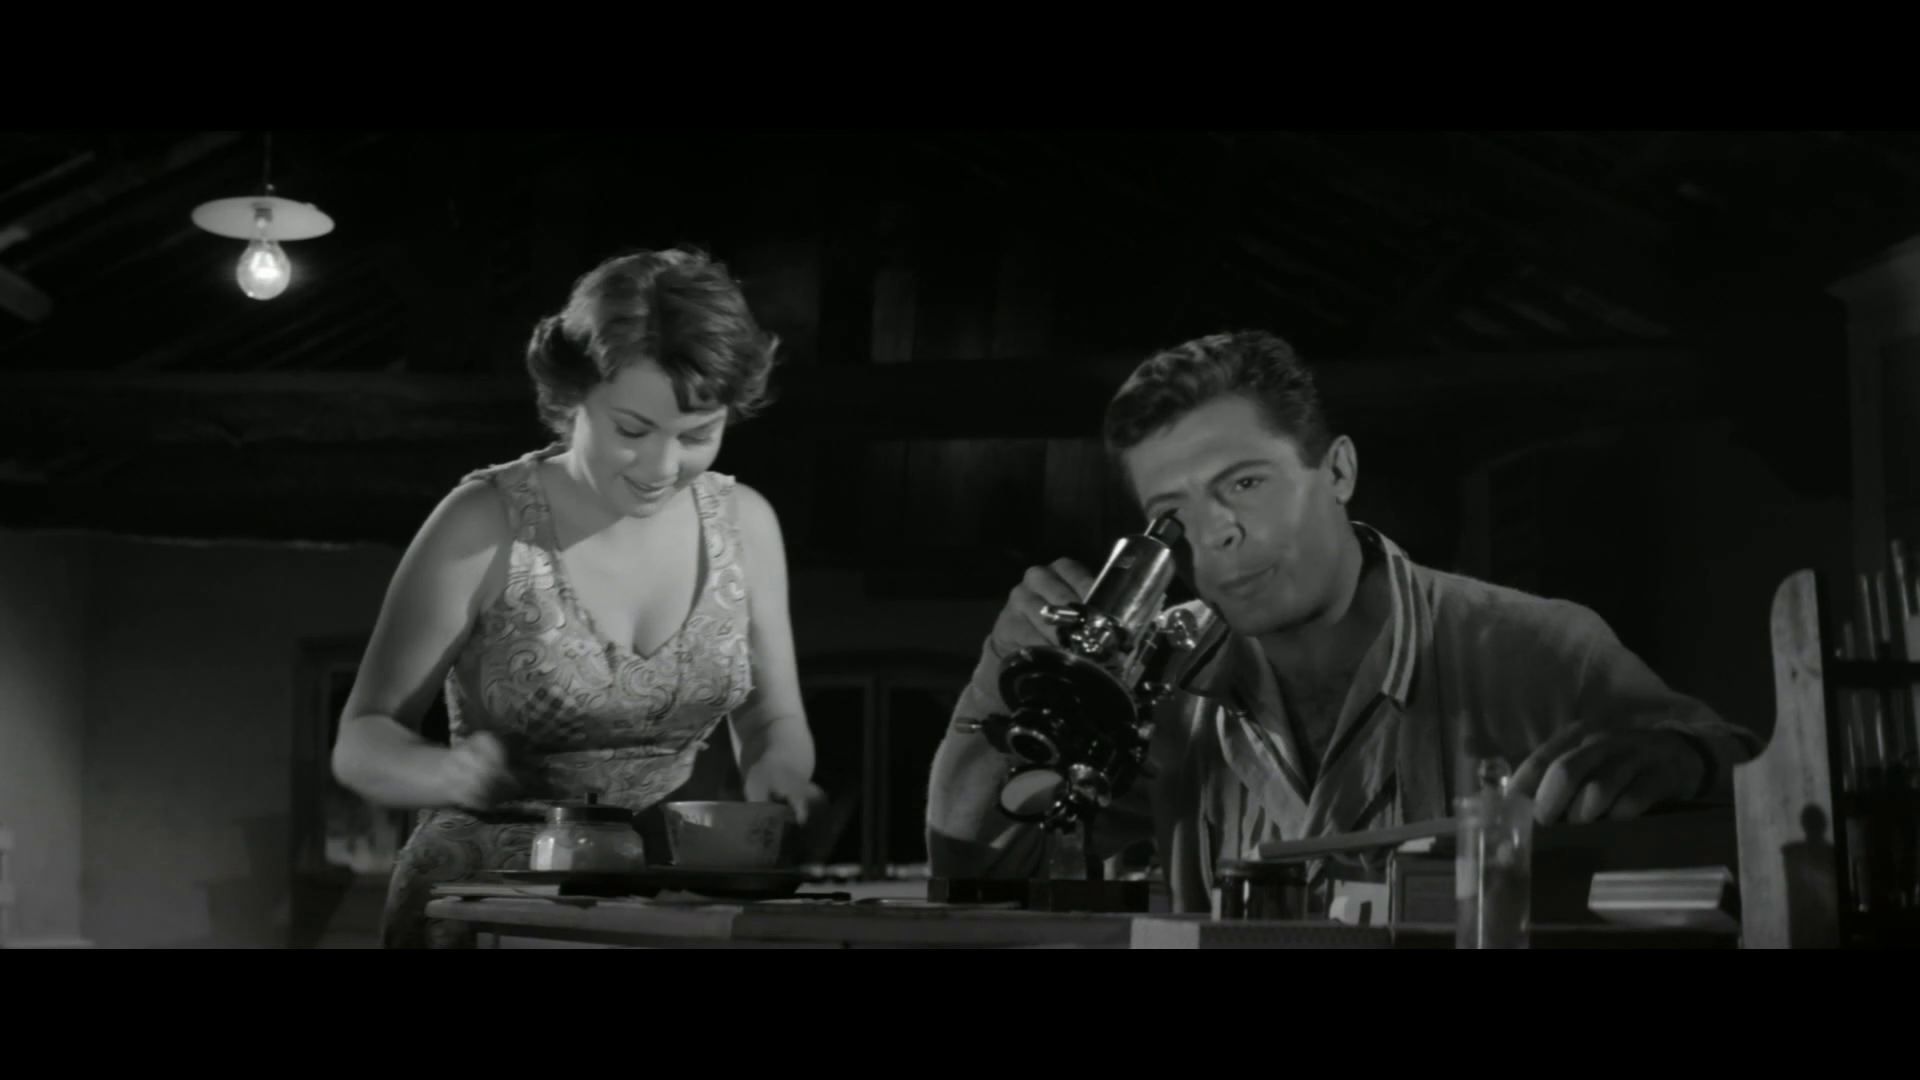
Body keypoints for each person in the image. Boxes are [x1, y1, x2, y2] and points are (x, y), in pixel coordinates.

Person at [926, 329, 1761, 913]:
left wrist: (1680, 761)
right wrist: (1005, 679)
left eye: (1245, 483)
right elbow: (974, 869)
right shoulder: (1163, 687)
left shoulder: (1533, 649)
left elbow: (1753, 788)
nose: (1217, 534)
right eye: (1173, 515)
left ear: (1339, 471)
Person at [332, 248, 823, 947]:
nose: (662, 466)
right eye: (632, 430)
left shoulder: (746, 524)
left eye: (697, 435)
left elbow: (773, 718)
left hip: (653, 906)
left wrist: (781, 773)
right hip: (482, 904)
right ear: (573, 397)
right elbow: (361, 740)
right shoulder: (484, 520)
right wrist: (445, 771)